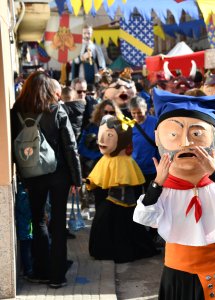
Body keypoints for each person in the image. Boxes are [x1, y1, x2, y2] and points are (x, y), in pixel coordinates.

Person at [133, 88, 215, 300]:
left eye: (196, 133)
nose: (186, 143)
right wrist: (157, 184)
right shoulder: (165, 189)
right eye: (174, 135)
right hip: (176, 271)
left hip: (212, 270)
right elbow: (143, 217)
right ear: (158, 138)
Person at [10, 71, 82, 288]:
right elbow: (70, 146)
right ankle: (57, 276)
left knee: (38, 220)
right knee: (58, 224)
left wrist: (20, 172)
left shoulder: (16, 112)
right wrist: (77, 180)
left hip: (32, 175)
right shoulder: (56, 109)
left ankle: (41, 270)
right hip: (59, 174)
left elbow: (13, 146)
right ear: (50, 89)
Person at [86, 115, 159, 263]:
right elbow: (99, 178)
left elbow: (128, 182)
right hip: (110, 202)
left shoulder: (124, 162)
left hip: (123, 205)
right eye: (101, 135)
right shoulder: (106, 159)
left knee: (121, 229)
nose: (101, 140)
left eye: (108, 136)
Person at [129, 96, 159, 190]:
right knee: (136, 199)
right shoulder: (128, 125)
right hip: (135, 169)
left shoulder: (155, 122)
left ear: (145, 109)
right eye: (133, 113)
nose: (137, 115)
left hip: (152, 169)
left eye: (139, 112)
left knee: (151, 198)